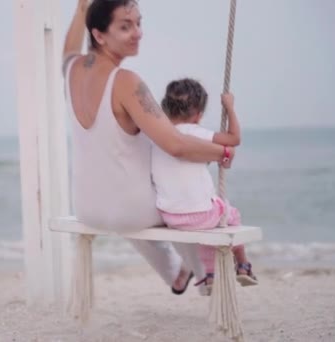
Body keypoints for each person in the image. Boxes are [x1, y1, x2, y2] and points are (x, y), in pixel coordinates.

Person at [63, 0, 236, 295]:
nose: (138, 33)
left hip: (87, 207)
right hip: (129, 211)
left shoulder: (72, 69)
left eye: (139, 23)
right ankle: (204, 273)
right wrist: (223, 152)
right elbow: (176, 145)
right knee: (181, 200)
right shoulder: (127, 82)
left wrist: (81, 8)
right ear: (99, 35)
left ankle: (176, 274)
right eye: (125, 26)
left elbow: (68, 50)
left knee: (135, 191)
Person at [152, 78, 257, 295]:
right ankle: (243, 263)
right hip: (199, 215)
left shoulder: (159, 137)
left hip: (170, 216)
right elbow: (234, 139)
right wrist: (229, 107)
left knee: (205, 231)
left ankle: (210, 275)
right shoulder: (196, 132)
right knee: (231, 216)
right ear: (199, 113)